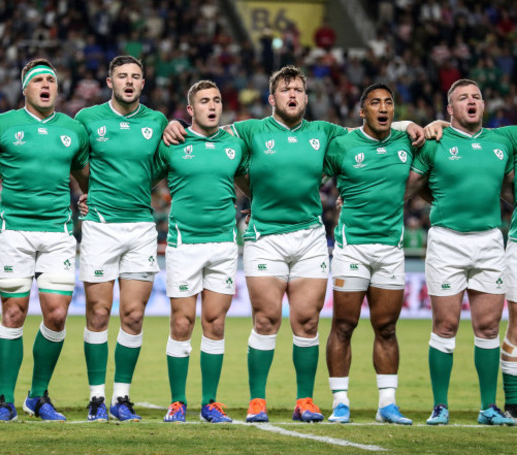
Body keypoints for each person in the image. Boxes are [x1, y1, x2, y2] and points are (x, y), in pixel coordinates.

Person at [163, 66, 424, 423]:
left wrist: (405, 125)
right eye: (286, 90)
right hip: (265, 238)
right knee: (266, 320)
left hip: (310, 238)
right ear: (272, 98)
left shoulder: (324, 132)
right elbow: (207, 134)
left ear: (306, 97)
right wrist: (172, 124)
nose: (293, 95)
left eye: (299, 90)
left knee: (307, 322)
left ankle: (305, 400)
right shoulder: (250, 130)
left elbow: (366, 129)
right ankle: (257, 401)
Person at [0, 58, 89, 422]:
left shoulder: (72, 129)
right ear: (25, 89)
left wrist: (87, 194)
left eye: (51, 80)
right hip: (14, 231)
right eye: (39, 80)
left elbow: (84, 174)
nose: (46, 85)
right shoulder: (2, 125)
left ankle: (38, 396)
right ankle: (4, 401)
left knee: (57, 314)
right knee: (14, 312)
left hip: (58, 233)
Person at [409, 78, 515, 426]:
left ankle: (488, 407)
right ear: (449, 109)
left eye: (477, 97)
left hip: (489, 241)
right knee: (446, 324)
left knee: (487, 328)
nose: (471, 101)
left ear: (484, 106)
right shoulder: (435, 142)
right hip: (446, 241)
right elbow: (407, 188)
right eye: (462, 98)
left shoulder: (504, 139)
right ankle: (440, 406)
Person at [74, 55, 168, 421]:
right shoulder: (88, 119)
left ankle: (122, 398)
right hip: (99, 226)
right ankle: (97, 397)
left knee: (132, 315)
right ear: (109, 81)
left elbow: (160, 166)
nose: (129, 82)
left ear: (143, 83)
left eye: (136, 77)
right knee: (98, 313)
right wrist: (89, 192)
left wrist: (137, 187)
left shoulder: (156, 121)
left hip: (141, 229)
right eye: (122, 76)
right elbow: (77, 161)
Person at [156, 80, 248, 423]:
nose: (213, 106)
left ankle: (210, 403)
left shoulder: (234, 145)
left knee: (215, 323)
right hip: (184, 244)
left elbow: (251, 183)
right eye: (204, 101)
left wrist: (258, 207)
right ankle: (178, 402)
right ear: (190, 110)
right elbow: (141, 179)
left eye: (217, 100)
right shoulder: (173, 143)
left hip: (224, 245)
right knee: (182, 323)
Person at [323, 83, 415, 425]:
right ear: (362, 112)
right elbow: (310, 178)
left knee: (387, 328)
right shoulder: (343, 145)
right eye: (375, 103)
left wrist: (426, 125)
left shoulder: (408, 142)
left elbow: (439, 140)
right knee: (344, 325)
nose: (383, 108)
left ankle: (387, 404)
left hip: (391, 249)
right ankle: (340, 402)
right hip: (352, 248)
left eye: (389, 103)